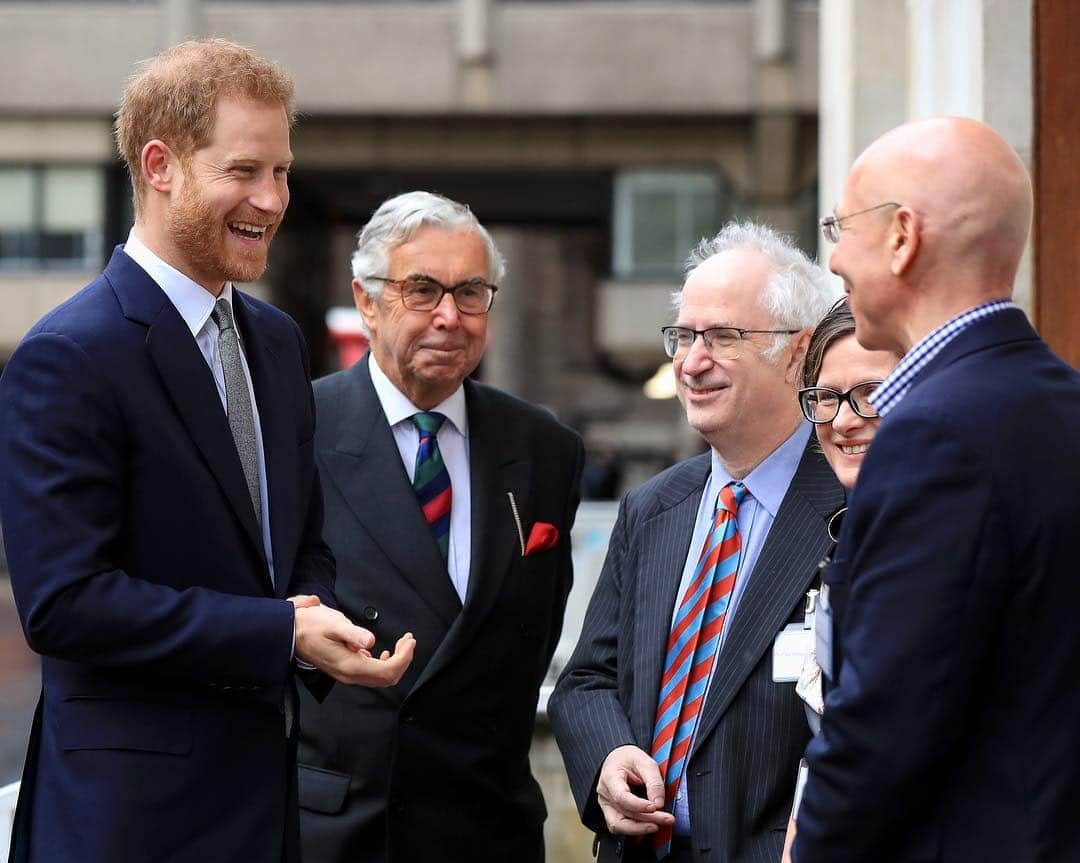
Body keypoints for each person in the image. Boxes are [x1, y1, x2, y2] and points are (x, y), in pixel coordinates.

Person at [0, 39, 413, 863]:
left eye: (284, 172)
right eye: (245, 171)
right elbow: (64, 603)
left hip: (265, 806)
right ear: (160, 166)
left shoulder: (275, 341)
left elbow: (300, 548)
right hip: (127, 824)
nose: (273, 198)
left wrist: (315, 616)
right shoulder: (69, 354)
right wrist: (276, 631)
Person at [794, 117, 1080, 863]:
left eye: (840, 225)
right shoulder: (1063, 405)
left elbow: (883, 726)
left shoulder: (932, 435)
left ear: (901, 236)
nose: (833, 258)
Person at [295, 191, 585, 863]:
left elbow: (535, 633)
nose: (450, 317)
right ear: (368, 301)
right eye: (422, 290)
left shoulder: (544, 447)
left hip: (486, 825)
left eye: (471, 292)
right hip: (342, 829)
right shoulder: (297, 430)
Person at [549, 222, 842, 863]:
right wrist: (609, 757)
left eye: (722, 338)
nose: (690, 361)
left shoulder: (853, 508)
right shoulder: (653, 508)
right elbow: (589, 678)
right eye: (683, 336)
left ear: (799, 353)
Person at [779, 299, 900, 861]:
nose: (845, 420)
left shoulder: (938, 547)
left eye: (871, 392)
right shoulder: (844, 538)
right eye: (826, 398)